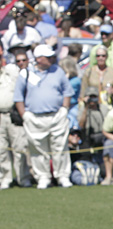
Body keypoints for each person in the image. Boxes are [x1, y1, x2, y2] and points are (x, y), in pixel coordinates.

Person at [13, 43, 74, 188]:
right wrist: (24, 115)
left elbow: (67, 91)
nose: (51, 59)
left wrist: (64, 109)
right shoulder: (26, 73)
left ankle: (62, 176)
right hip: (34, 117)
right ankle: (43, 177)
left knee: (60, 147)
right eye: (48, 57)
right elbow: (18, 97)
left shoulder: (57, 71)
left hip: (56, 115)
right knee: (38, 149)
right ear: (39, 59)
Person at [0, 45, 32, 189]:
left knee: (19, 147)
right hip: (0, 116)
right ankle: (5, 178)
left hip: (12, 115)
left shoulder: (11, 71)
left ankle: (23, 177)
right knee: (2, 150)